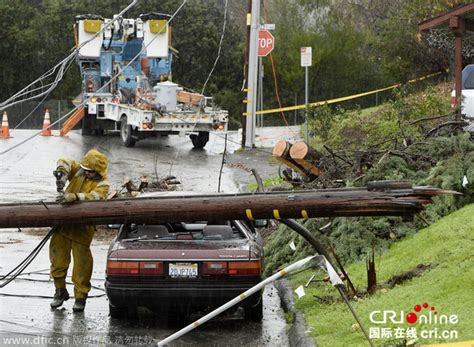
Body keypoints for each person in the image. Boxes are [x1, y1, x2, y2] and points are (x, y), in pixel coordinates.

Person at [49, 149, 110, 312]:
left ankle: (80, 297)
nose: (87, 174)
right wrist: (61, 173)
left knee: (81, 266)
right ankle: (60, 291)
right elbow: (65, 160)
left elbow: (96, 197)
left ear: (97, 171)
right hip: (63, 225)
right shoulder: (80, 171)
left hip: (82, 229)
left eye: (91, 172)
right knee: (57, 261)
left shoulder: (103, 183)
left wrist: (74, 197)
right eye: (86, 170)